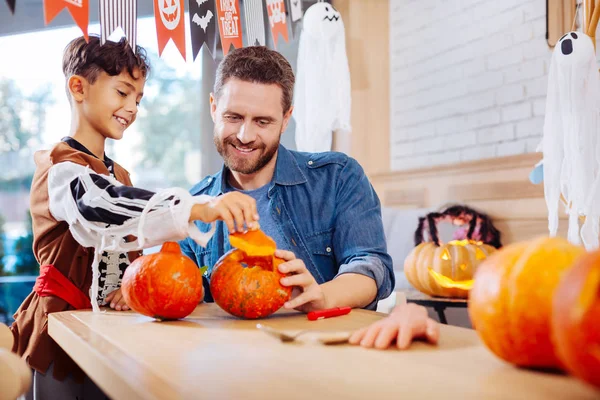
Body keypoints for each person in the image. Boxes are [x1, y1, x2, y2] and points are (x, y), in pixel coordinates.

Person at [11, 35, 257, 400]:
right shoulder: (61, 167)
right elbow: (101, 208)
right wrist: (195, 207)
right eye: (123, 92)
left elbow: (126, 237)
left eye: (138, 98)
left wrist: (129, 290)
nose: (132, 107)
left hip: (108, 329)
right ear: (78, 88)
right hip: (59, 323)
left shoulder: (120, 174)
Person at [179, 46, 438, 349]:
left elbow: (370, 265)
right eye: (233, 117)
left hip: (323, 350)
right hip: (228, 358)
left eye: (263, 122)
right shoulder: (193, 205)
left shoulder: (338, 176)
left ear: (286, 119)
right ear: (213, 107)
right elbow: (180, 287)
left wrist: (324, 296)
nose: (245, 135)